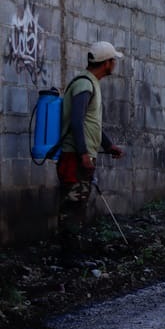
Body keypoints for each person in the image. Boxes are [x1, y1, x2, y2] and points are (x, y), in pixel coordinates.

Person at [57, 41, 125, 258]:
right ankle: (69, 257)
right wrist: (83, 153)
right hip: (74, 156)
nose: (115, 63)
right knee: (73, 205)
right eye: (113, 60)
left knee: (79, 204)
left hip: (80, 155)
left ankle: (73, 255)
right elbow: (76, 122)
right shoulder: (85, 84)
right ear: (106, 63)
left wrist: (107, 145)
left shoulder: (91, 83)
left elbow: (90, 123)